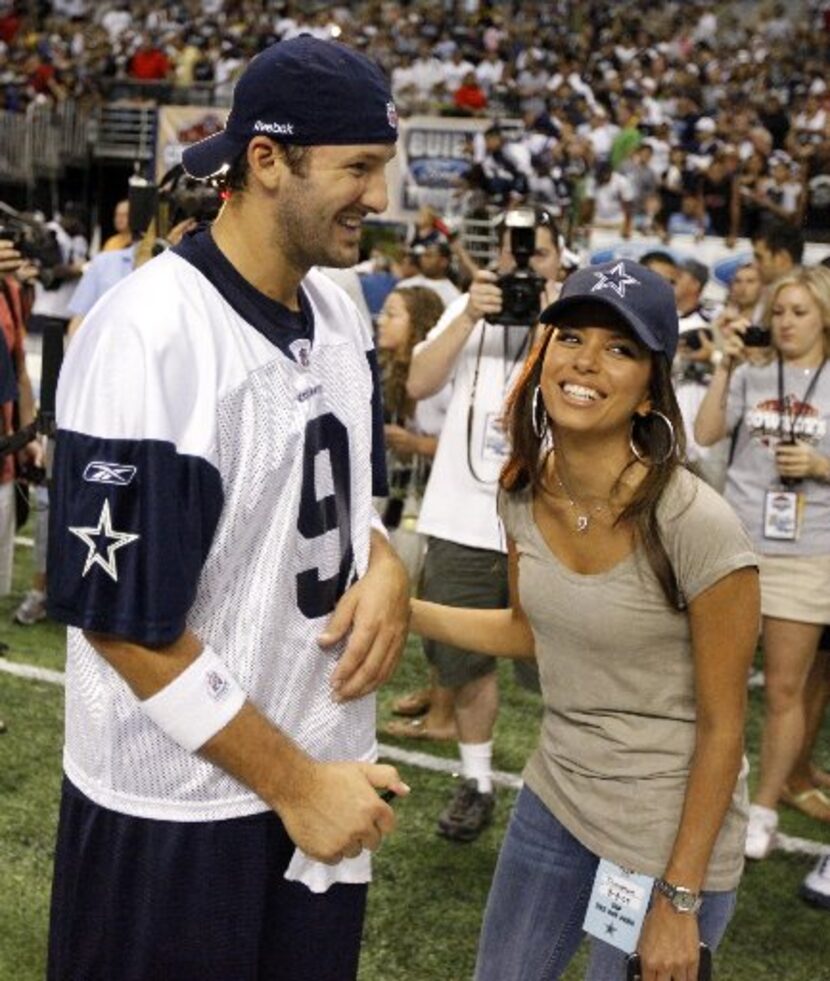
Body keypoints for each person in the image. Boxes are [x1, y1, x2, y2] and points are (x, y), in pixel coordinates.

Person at [45, 36, 410, 981]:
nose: (379, 197)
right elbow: (123, 624)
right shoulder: (153, 333)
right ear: (266, 161)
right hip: (180, 808)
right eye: (358, 169)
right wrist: (297, 787)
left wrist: (388, 563)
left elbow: (343, 504)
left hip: (314, 772)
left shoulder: (338, 311)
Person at [412, 258, 759, 980]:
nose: (587, 362)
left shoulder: (697, 524)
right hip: (557, 795)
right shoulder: (521, 492)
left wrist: (679, 894)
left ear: (647, 392)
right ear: (543, 358)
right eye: (571, 337)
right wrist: (402, 608)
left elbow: (726, 727)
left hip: (666, 833)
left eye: (620, 348)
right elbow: (526, 631)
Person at [398, 209, 559, 837]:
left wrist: (552, 318)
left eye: (538, 254)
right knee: (464, 665)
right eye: (517, 254)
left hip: (546, 530)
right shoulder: (471, 310)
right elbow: (418, 381)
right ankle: (477, 781)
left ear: (559, 258)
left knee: (562, 672)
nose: (525, 266)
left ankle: (564, 795)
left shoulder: (572, 319)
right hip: (462, 520)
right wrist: (468, 312)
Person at [695, 265, 830, 856]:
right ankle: (704, 787)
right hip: (737, 545)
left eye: (799, 312)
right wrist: (725, 366)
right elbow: (703, 432)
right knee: (708, 680)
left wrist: (823, 467)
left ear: (824, 315)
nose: (786, 323)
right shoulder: (751, 373)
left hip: (809, 553)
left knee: (783, 690)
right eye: (778, 312)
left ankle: (765, 811)